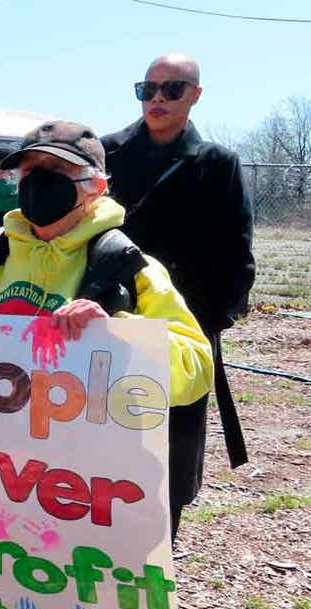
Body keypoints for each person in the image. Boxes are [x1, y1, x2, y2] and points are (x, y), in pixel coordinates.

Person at [0, 121, 213, 609]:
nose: (41, 184)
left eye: (60, 173)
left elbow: (196, 366)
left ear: (96, 186)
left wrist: (120, 332)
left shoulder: (127, 267)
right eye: (32, 171)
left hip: (73, 499)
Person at [102, 54, 256, 538]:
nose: (157, 100)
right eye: (147, 90)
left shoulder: (216, 165)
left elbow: (238, 251)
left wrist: (209, 322)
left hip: (177, 328)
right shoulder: (108, 154)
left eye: (171, 89)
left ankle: (156, 552)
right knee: (98, 436)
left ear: (195, 94)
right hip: (109, 319)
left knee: (172, 445)